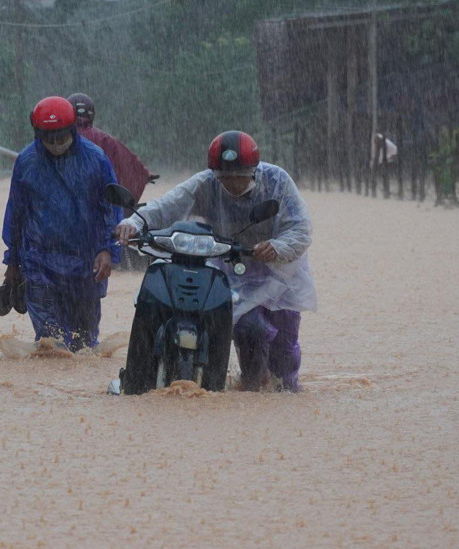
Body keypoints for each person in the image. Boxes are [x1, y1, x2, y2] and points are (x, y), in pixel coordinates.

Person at [115, 130, 316, 391]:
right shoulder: (206, 184)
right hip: (234, 267)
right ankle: (253, 389)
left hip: (279, 272)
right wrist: (133, 222)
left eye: (240, 176)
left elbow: (301, 228)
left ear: (253, 170)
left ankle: (285, 392)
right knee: (247, 330)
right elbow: (167, 205)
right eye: (225, 177)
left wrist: (277, 247)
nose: (232, 183)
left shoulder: (277, 182)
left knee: (283, 349)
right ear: (215, 174)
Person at [0, 96, 121, 353]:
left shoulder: (95, 159)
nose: (55, 144)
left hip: (85, 264)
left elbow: (110, 209)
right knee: (50, 345)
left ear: (73, 131)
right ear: (38, 134)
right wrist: (12, 261)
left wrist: (107, 249)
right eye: (49, 138)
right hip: (39, 264)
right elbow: (16, 213)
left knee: (84, 345)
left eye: (61, 137)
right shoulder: (27, 162)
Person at [68, 93, 154, 203]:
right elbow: (125, 160)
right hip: (95, 203)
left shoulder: (56, 136)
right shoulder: (103, 138)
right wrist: (144, 174)